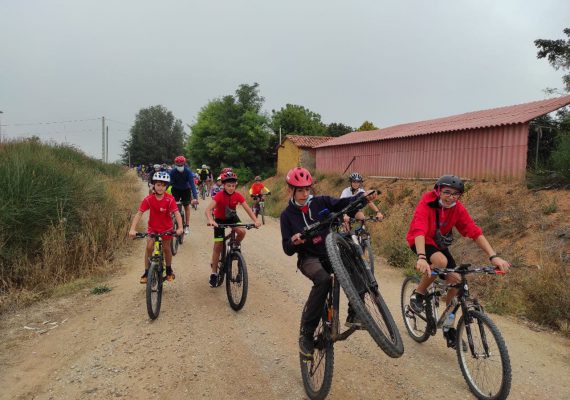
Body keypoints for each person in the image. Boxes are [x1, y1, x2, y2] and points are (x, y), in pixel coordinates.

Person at [279, 167, 378, 358]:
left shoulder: (320, 202)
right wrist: (293, 241)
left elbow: (343, 204)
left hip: (331, 253)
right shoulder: (287, 216)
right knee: (323, 280)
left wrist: (364, 199)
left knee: (355, 262)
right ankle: (306, 335)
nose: (305, 194)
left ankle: (355, 312)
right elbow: (286, 249)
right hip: (309, 258)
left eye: (307, 189)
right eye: (300, 190)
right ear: (290, 190)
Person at [406, 174, 510, 347]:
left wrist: (494, 256)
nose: (451, 197)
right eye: (447, 192)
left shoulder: (457, 208)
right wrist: (422, 257)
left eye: (456, 194)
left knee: (456, 280)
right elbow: (419, 228)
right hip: (421, 241)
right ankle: (418, 294)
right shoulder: (427, 201)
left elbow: (474, 231)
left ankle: (448, 328)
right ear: (438, 191)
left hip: (439, 244)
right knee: (440, 262)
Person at [205, 170, 261, 288]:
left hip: (232, 217)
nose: (231, 188)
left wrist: (255, 220)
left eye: (233, 186)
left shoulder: (238, 195)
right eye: (228, 185)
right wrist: (211, 220)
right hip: (219, 220)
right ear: (224, 185)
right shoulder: (219, 195)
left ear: (236, 185)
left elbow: (247, 209)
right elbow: (208, 210)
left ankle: (235, 244)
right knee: (218, 245)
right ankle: (214, 273)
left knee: (242, 231)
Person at [129, 171, 183, 283]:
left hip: (167, 228)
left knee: (166, 248)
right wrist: (132, 229)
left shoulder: (170, 199)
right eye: (158, 184)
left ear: (166, 187)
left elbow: (177, 213)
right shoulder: (149, 199)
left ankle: (168, 270)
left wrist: (180, 228)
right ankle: (147, 271)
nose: (160, 188)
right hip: (153, 228)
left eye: (163, 185)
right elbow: (139, 213)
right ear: (153, 185)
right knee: (149, 246)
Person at [169, 155, 199, 235]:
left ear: (184, 164)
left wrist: (195, 197)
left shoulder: (188, 172)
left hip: (186, 190)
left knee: (186, 207)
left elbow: (192, 185)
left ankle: (187, 225)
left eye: (181, 165)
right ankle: (174, 221)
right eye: (178, 165)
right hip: (175, 190)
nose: (179, 166)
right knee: (174, 207)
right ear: (175, 164)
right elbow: (169, 183)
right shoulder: (172, 171)